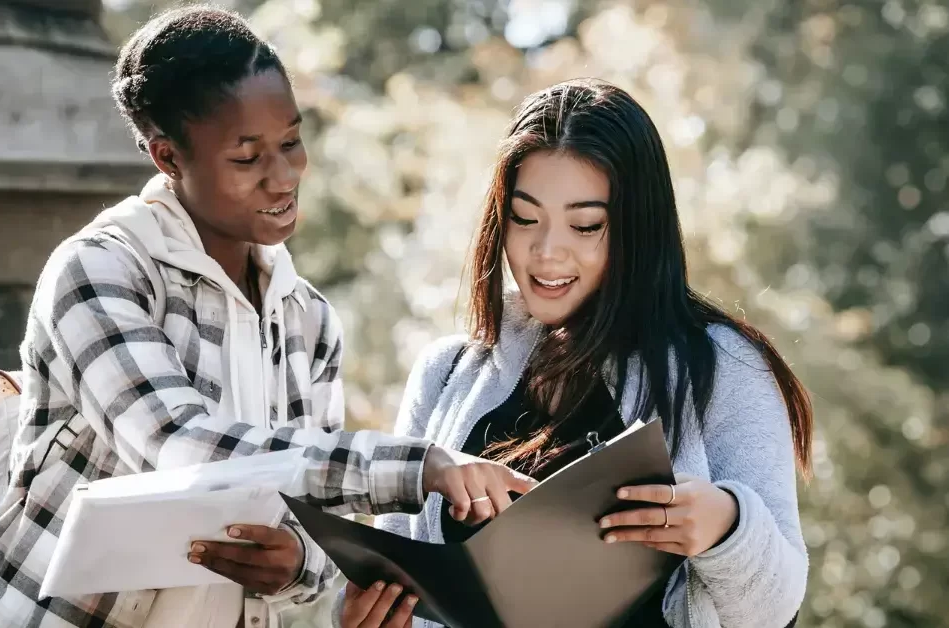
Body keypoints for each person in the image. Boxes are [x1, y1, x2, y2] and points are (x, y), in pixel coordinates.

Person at [0, 6, 534, 628]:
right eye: (247, 158)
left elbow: (309, 522)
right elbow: (178, 449)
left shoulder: (309, 318)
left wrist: (298, 562)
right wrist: (419, 467)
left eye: (291, 142)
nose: (283, 177)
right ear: (168, 157)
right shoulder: (98, 272)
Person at [338, 78, 812, 628]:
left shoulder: (723, 367)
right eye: (524, 217)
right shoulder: (446, 373)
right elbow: (400, 581)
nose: (545, 252)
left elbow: (775, 610)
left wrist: (727, 528)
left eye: (585, 225)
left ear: (638, 230)